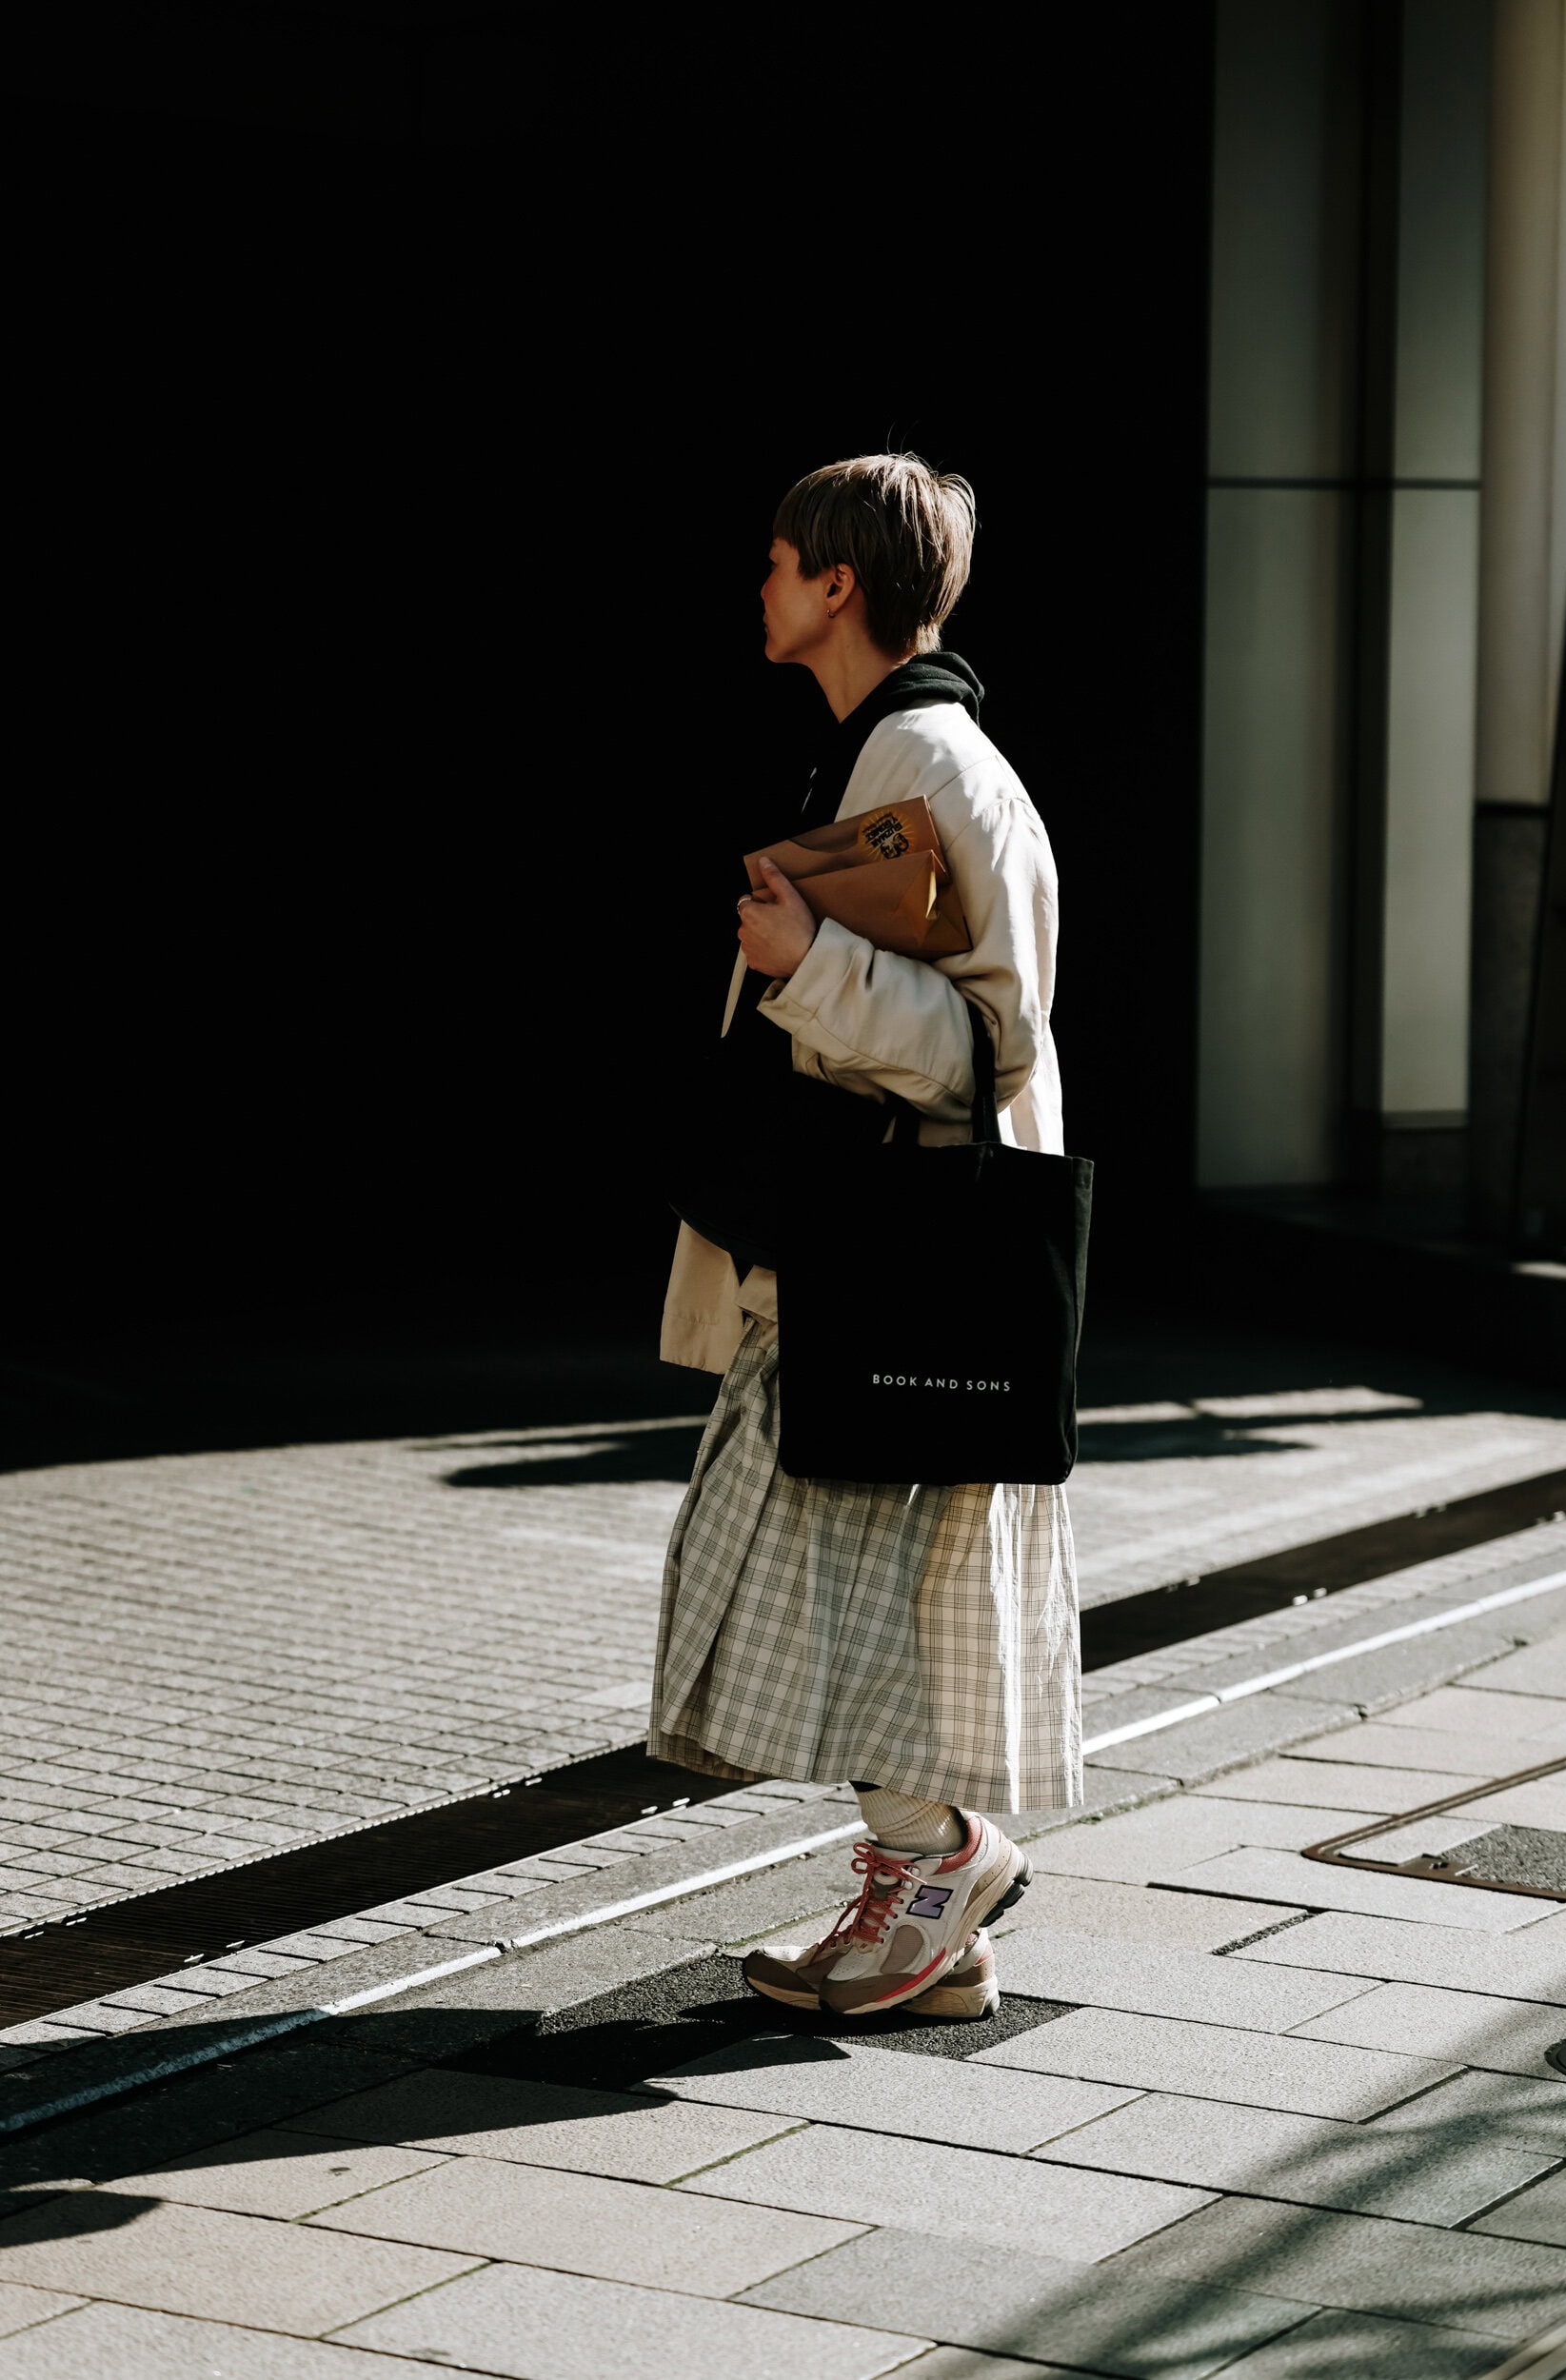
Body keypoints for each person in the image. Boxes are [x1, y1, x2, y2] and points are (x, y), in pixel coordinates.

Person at [649, 452, 1080, 2021]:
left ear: (840, 583)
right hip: (859, 1256)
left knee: (797, 1579)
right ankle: (930, 1924)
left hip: (881, 1268)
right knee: (846, 1591)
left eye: (777, 562)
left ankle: (939, 1856)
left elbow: (998, 1042)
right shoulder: (890, 748)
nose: (759, 587)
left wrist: (806, 953)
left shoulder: (929, 759)